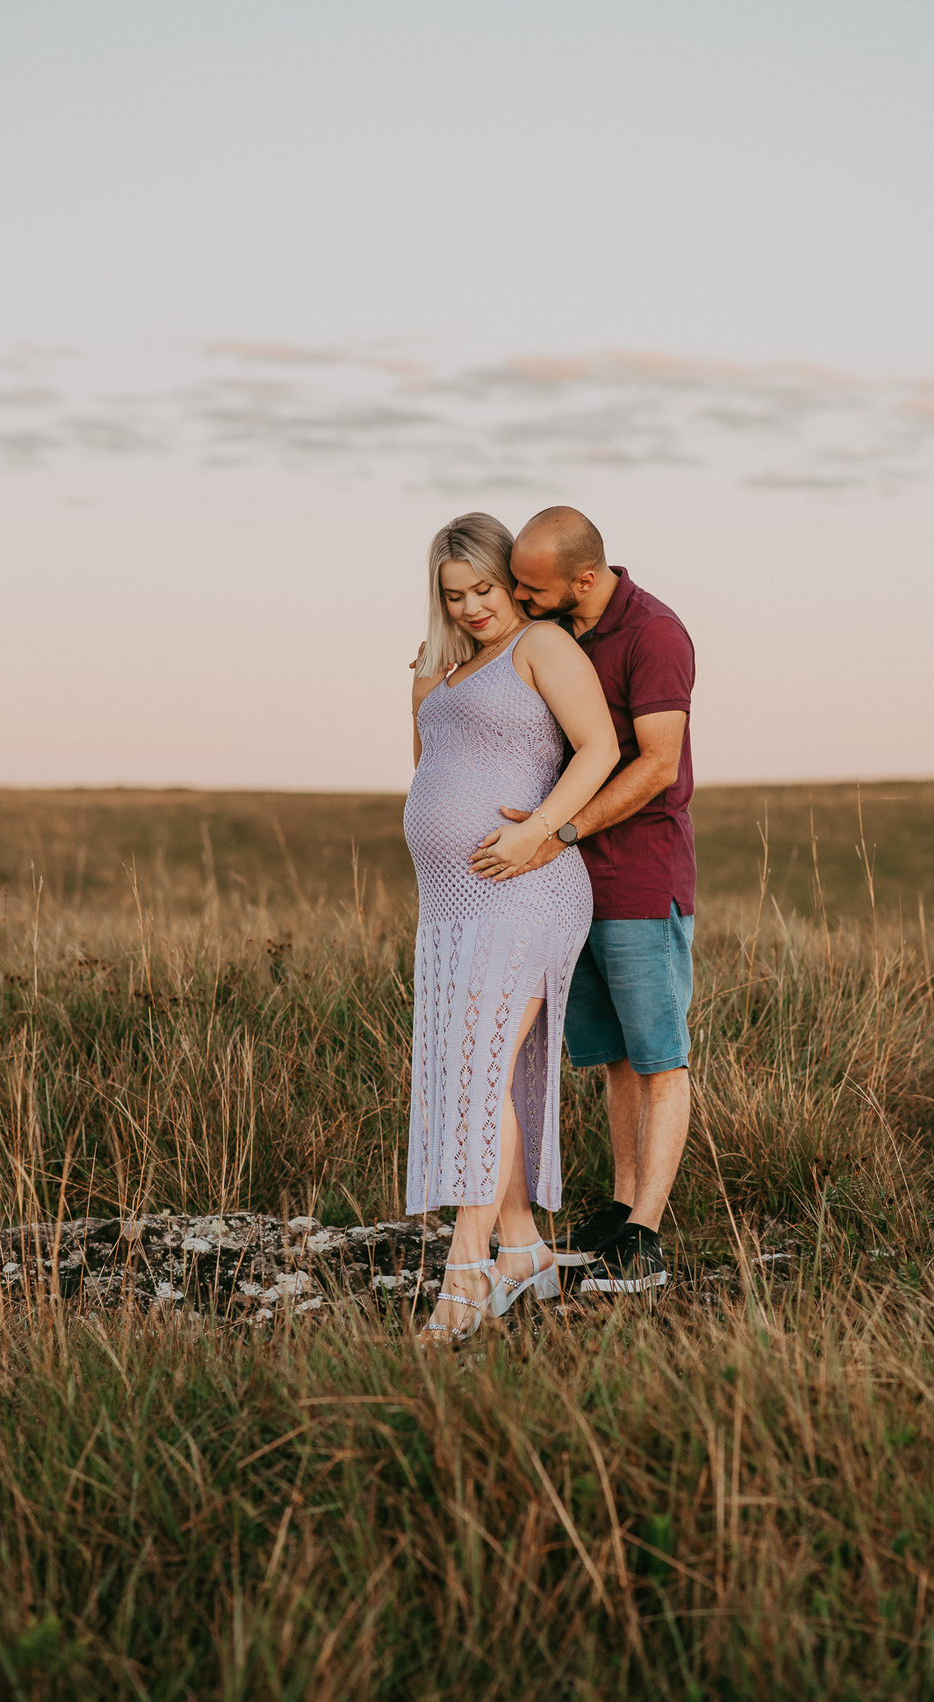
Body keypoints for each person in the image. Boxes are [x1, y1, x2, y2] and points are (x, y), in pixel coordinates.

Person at [404, 512, 619, 1343]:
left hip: (528, 888)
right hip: (453, 903)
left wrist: (540, 832)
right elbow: (432, 769)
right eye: (453, 596)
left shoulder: (542, 648)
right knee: (479, 1071)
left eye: (484, 589)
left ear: (510, 578)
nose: (471, 607)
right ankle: (522, 1244)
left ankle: (465, 1272)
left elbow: (598, 748)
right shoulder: (444, 670)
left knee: (477, 1066)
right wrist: (426, 684)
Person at [470, 506, 696, 1296]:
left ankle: (646, 1233)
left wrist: (555, 832)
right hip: (570, 888)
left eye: (532, 589)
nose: (522, 601)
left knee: (659, 1056)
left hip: (638, 874)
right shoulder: (558, 635)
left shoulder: (655, 634)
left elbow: (656, 765)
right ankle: (620, 1205)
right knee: (611, 1058)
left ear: (585, 579)